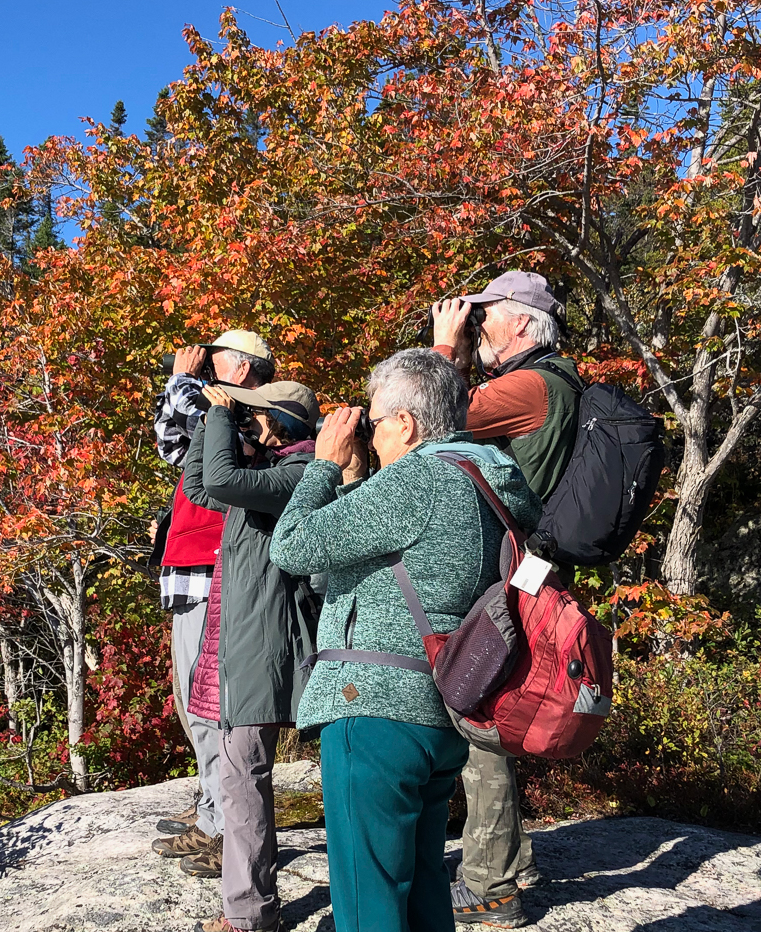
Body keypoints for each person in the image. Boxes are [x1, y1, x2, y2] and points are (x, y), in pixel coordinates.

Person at [270, 348, 542, 932]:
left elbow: (292, 547)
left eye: (374, 422)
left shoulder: (418, 481)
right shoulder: (489, 481)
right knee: (421, 894)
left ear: (406, 423)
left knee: (369, 900)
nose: (369, 436)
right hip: (442, 709)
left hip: (374, 707)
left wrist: (322, 467)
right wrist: (353, 481)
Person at [431, 270, 584, 927]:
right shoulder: (556, 381)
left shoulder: (529, 386)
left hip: (515, 570)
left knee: (480, 711)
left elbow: (431, 422)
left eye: (485, 312)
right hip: (532, 567)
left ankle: (491, 888)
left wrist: (444, 350)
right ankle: (512, 862)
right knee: (494, 698)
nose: (476, 322)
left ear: (521, 320)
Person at [184, 380, 321, 932]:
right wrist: (207, 423)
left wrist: (222, 417)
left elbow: (221, 480)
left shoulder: (299, 473)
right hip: (245, 640)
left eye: (257, 413)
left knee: (244, 774)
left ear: (281, 424)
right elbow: (200, 486)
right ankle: (249, 907)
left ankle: (249, 915)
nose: (247, 418)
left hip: (265, 642)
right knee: (241, 771)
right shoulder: (267, 473)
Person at [151, 330, 275, 878]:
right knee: (191, 700)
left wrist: (184, 379)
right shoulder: (215, 413)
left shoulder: (249, 415)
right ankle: (210, 806)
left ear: (243, 368)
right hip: (188, 569)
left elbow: (193, 425)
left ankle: (223, 823)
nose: (202, 362)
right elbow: (173, 446)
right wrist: (183, 385)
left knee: (209, 703)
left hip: (214, 568)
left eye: (214, 357)